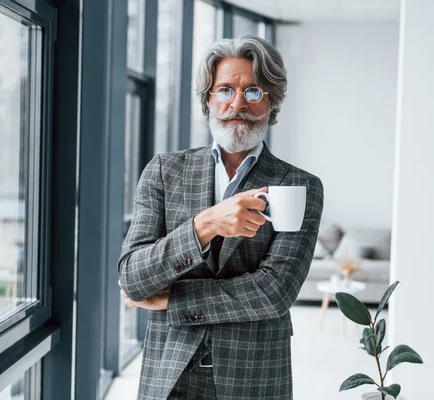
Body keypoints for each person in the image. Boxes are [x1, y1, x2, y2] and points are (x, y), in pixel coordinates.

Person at [118, 35, 324, 400]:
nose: (237, 104)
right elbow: (134, 277)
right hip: (170, 369)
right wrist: (206, 225)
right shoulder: (165, 171)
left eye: (254, 92)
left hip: (255, 373)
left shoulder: (298, 185)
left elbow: (274, 292)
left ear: (271, 100)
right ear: (208, 99)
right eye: (225, 90)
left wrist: (171, 299)